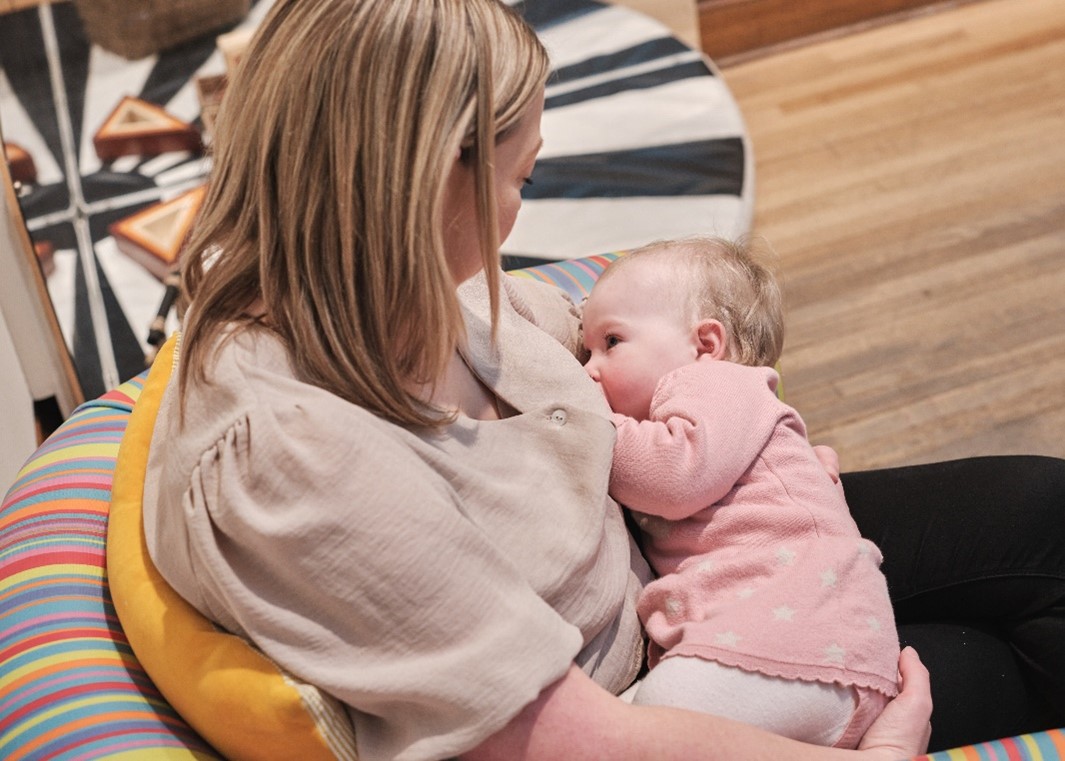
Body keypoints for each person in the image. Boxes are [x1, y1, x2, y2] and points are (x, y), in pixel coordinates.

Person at [136, 0, 1062, 758]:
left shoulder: (370, 281)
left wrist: (742, 432)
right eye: (520, 179)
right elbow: (578, 739)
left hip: (678, 539)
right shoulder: (294, 462)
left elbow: (566, 323)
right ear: (428, 181)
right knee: (1002, 662)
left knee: (1042, 507)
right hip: (665, 679)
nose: (513, 218)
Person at [581, 237, 900, 748]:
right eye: (585, 349)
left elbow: (674, 475)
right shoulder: (716, 411)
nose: (588, 369)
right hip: (793, 657)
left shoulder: (720, 384)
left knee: (646, 721)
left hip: (800, 643)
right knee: (627, 723)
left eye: (611, 342)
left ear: (706, 345)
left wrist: (584, 424)